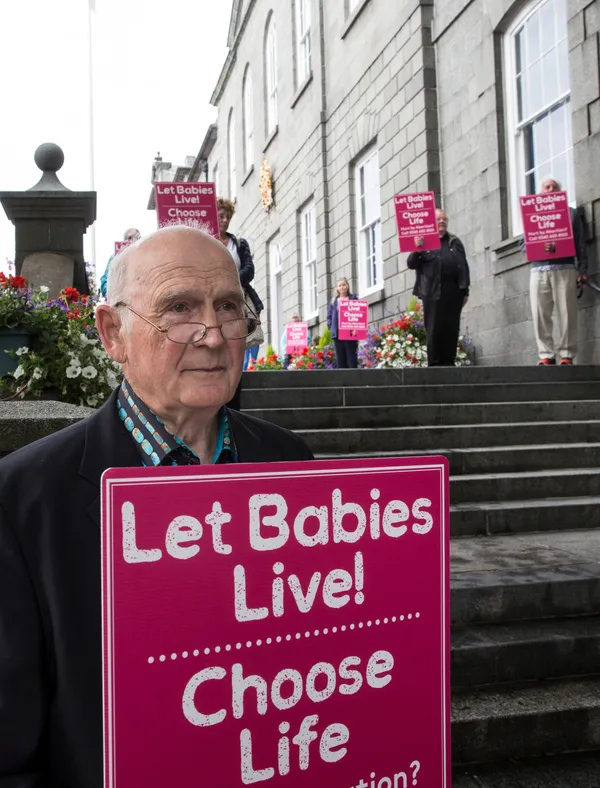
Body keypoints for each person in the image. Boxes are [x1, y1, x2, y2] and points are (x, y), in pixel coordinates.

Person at [0, 226, 313, 788]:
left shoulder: (288, 460)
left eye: (228, 307)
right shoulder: (21, 501)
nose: (213, 335)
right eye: (179, 308)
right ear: (112, 332)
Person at [527, 177, 588, 366]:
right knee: (539, 313)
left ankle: (567, 354)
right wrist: (538, 245)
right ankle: (546, 354)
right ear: (541, 192)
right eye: (547, 187)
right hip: (539, 268)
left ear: (560, 192)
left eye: (555, 187)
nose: (551, 189)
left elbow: (580, 242)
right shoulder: (531, 213)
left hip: (565, 267)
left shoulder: (570, 213)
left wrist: (583, 269)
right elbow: (524, 243)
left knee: (567, 312)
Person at [407, 210, 470, 366]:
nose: (442, 221)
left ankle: (449, 362)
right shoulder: (424, 242)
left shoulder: (454, 241)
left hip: (453, 292)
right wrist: (417, 249)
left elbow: (463, 266)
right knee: (434, 328)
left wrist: (465, 290)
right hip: (432, 291)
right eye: (438, 219)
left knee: (451, 326)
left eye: (444, 219)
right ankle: (434, 364)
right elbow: (411, 264)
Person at [217, 198, 264, 371]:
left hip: (241, 294)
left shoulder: (239, 243)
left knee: (248, 332)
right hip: (216, 296)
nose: (225, 220)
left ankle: (247, 368)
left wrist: (232, 281)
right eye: (221, 216)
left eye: (228, 216)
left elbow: (249, 269)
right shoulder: (206, 243)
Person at [100, 227, 141, 299]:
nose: (133, 240)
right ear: (124, 240)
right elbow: (104, 283)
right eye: (130, 237)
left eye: (137, 237)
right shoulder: (114, 257)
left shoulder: (144, 256)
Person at [327, 278, 359, 368]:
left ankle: (353, 379)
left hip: (350, 333)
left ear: (348, 286)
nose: (342, 287)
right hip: (337, 334)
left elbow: (359, 314)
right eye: (340, 285)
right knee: (340, 360)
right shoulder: (333, 301)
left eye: (344, 285)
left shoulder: (353, 299)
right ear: (337, 288)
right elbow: (329, 317)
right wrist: (331, 327)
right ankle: (343, 381)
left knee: (352, 359)